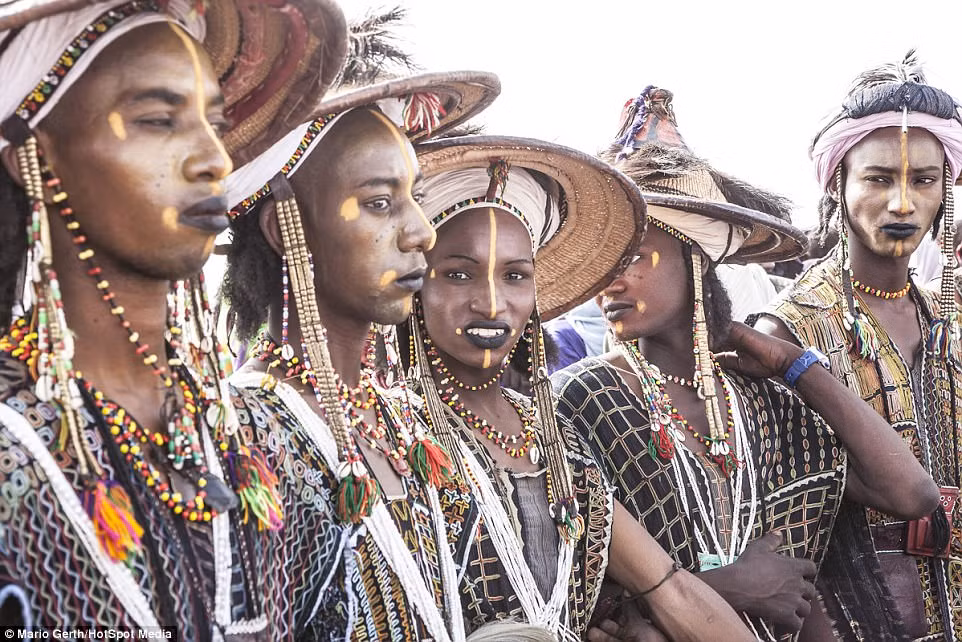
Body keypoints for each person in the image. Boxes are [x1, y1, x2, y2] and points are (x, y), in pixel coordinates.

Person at [0, 0, 348, 635]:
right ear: (40, 153)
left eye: (213, 123)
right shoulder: (13, 441)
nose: (215, 159)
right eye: (160, 119)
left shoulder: (252, 440)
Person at [552, 85, 939, 641]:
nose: (610, 279)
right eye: (603, 260)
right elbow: (575, 590)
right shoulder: (580, 398)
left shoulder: (763, 400)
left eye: (633, 255)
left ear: (696, 254)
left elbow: (911, 495)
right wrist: (728, 585)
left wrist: (796, 364)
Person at [411, 133, 756, 641]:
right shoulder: (395, 428)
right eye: (459, 275)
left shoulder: (550, 436)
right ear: (416, 284)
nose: (491, 303)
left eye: (514, 275)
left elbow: (668, 586)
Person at [221, 71, 501, 640]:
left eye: (414, 200)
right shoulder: (244, 434)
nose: (422, 232)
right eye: (380, 202)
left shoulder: (405, 416)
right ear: (286, 227)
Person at [755, 52, 962, 641]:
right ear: (838, 183)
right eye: (878, 179)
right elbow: (783, 515)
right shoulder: (791, 328)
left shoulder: (953, 316)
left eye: (923, 180)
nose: (902, 203)